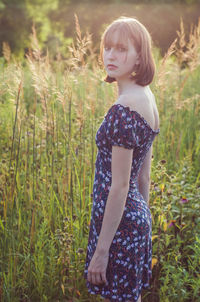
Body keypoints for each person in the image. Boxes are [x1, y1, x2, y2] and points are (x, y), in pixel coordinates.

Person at [84, 16, 160, 302]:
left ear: (140, 57)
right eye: (107, 47)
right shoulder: (146, 97)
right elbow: (144, 177)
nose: (111, 55)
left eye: (121, 49)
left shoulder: (123, 108)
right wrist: (143, 222)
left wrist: (102, 251)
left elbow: (119, 187)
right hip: (135, 221)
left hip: (118, 228)